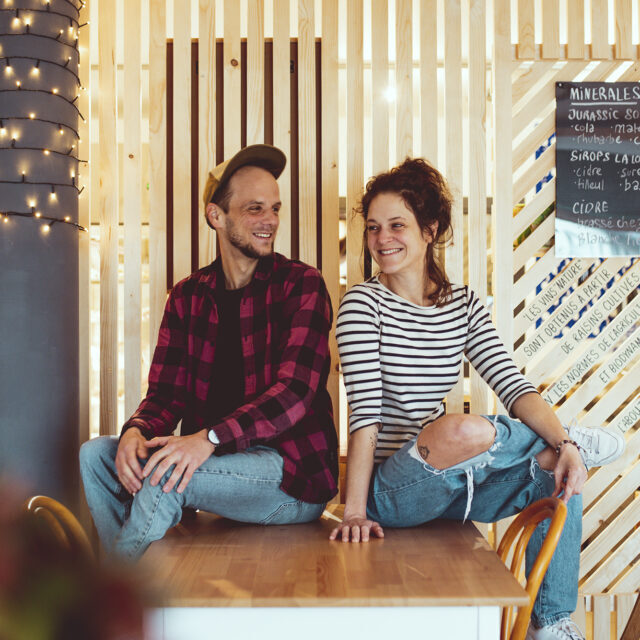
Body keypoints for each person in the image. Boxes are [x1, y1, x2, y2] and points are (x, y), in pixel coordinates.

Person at [330, 158, 625, 640]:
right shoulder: (363, 305)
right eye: (375, 228)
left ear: (429, 230)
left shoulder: (464, 306)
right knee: (464, 428)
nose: (383, 239)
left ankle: (549, 623)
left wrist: (563, 444)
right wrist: (356, 510)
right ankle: (564, 439)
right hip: (391, 493)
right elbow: (364, 414)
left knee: (560, 469)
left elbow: (513, 384)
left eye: (397, 225)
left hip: (450, 490)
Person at [81, 144, 338, 561]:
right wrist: (136, 432)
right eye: (255, 209)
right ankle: (141, 581)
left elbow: (294, 393)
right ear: (217, 216)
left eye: (274, 208)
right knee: (95, 457)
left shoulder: (302, 285)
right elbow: (165, 396)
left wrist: (210, 439)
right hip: (216, 468)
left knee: (166, 474)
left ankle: (116, 593)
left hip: (291, 479)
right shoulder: (187, 296)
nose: (270, 220)